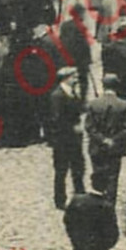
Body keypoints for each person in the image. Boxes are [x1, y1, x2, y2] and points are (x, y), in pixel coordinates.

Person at [83, 75, 126, 205]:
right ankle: (110, 205)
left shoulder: (94, 103)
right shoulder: (123, 104)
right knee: (113, 178)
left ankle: (98, 202)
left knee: (98, 175)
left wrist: (102, 139)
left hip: (97, 147)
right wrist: (113, 140)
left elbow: (89, 127)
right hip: (115, 148)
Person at [46, 67, 87, 209]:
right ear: (65, 78)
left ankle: (80, 195)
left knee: (78, 167)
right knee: (61, 170)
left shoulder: (73, 93)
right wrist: (72, 127)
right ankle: (60, 199)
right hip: (62, 140)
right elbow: (56, 119)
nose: (76, 79)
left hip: (74, 139)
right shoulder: (57, 96)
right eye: (73, 76)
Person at [63, 170, 119, 250]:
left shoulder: (76, 200)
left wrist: (76, 241)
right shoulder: (106, 207)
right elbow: (113, 235)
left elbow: (67, 221)